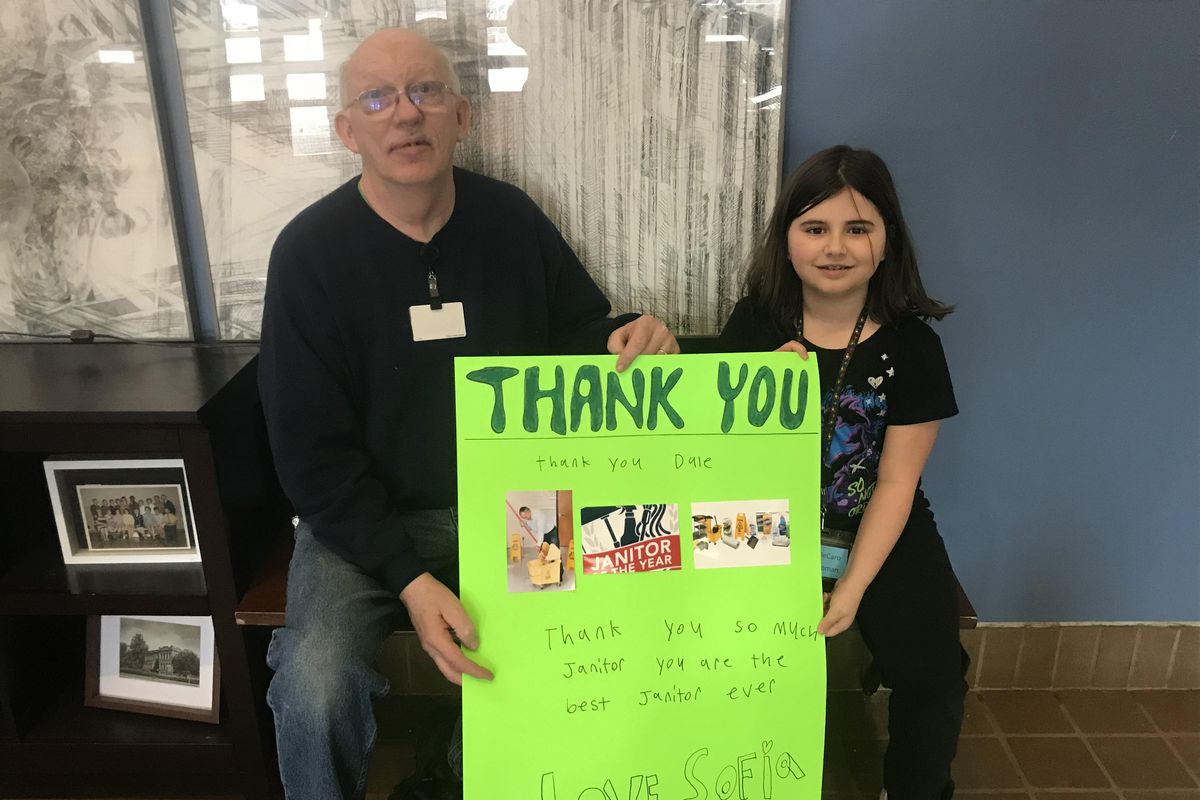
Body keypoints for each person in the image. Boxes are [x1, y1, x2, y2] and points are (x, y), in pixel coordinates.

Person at [257, 27, 678, 800]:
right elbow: (311, 458)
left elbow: (579, 340)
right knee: (315, 685)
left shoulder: (511, 221)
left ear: (464, 115)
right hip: (364, 522)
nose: (406, 115)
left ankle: (460, 776)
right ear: (348, 129)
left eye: (427, 91)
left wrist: (630, 337)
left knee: (560, 647)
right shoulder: (309, 256)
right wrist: (410, 579)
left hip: (522, 509)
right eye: (378, 98)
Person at [718, 145, 967, 799]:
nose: (836, 247)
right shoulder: (754, 325)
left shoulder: (913, 347)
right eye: (815, 227)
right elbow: (720, 461)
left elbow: (896, 484)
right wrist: (759, 382)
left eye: (858, 228)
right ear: (788, 241)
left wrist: (851, 588)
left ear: (887, 242)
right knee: (720, 651)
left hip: (879, 527)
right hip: (766, 526)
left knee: (935, 671)